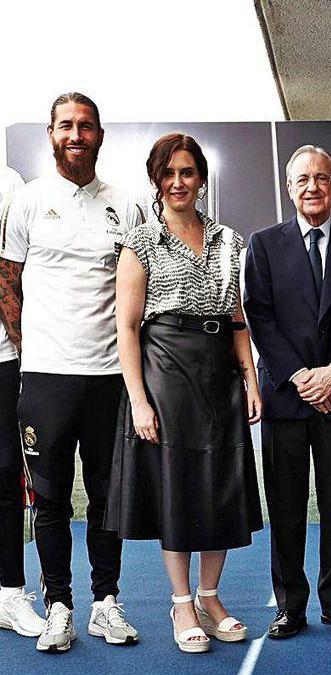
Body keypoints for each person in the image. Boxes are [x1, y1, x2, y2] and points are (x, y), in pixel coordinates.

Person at [104, 133, 262, 653]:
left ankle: (211, 597)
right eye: (168, 173)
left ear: (200, 179)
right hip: (166, 374)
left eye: (188, 172)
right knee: (177, 487)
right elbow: (126, 328)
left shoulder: (229, 240)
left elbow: (237, 317)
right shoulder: (142, 241)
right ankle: (181, 604)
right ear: (157, 178)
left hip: (222, 377)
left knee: (221, 483)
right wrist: (140, 400)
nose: (178, 182)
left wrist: (250, 378)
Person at [0, 93, 144, 653]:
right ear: (51, 134)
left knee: (108, 495)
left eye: (86, 126)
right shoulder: (30, 202)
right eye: (66, 126)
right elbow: (7, 282)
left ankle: (106, 603)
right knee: (52, 498)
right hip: (45, 379)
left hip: (109, 377)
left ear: (100, 135)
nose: (76, 134)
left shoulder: (126, 207)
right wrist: (34, 349)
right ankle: (59, 604)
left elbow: (138, 292)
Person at [244, 145, 331, 639]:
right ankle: (290, 605)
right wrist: (301, 376)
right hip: (287, 399)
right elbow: (258, 315)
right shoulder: (263, 244)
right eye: (303, 179)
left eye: (322, 178)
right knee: (286, 506)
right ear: (289, 187)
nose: (312, 187)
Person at [0, 165, 45, 640]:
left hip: (2, 356)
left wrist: (21, 347)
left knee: (5, 468)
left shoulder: (8, 185)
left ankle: (9, 591)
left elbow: (12, 276)